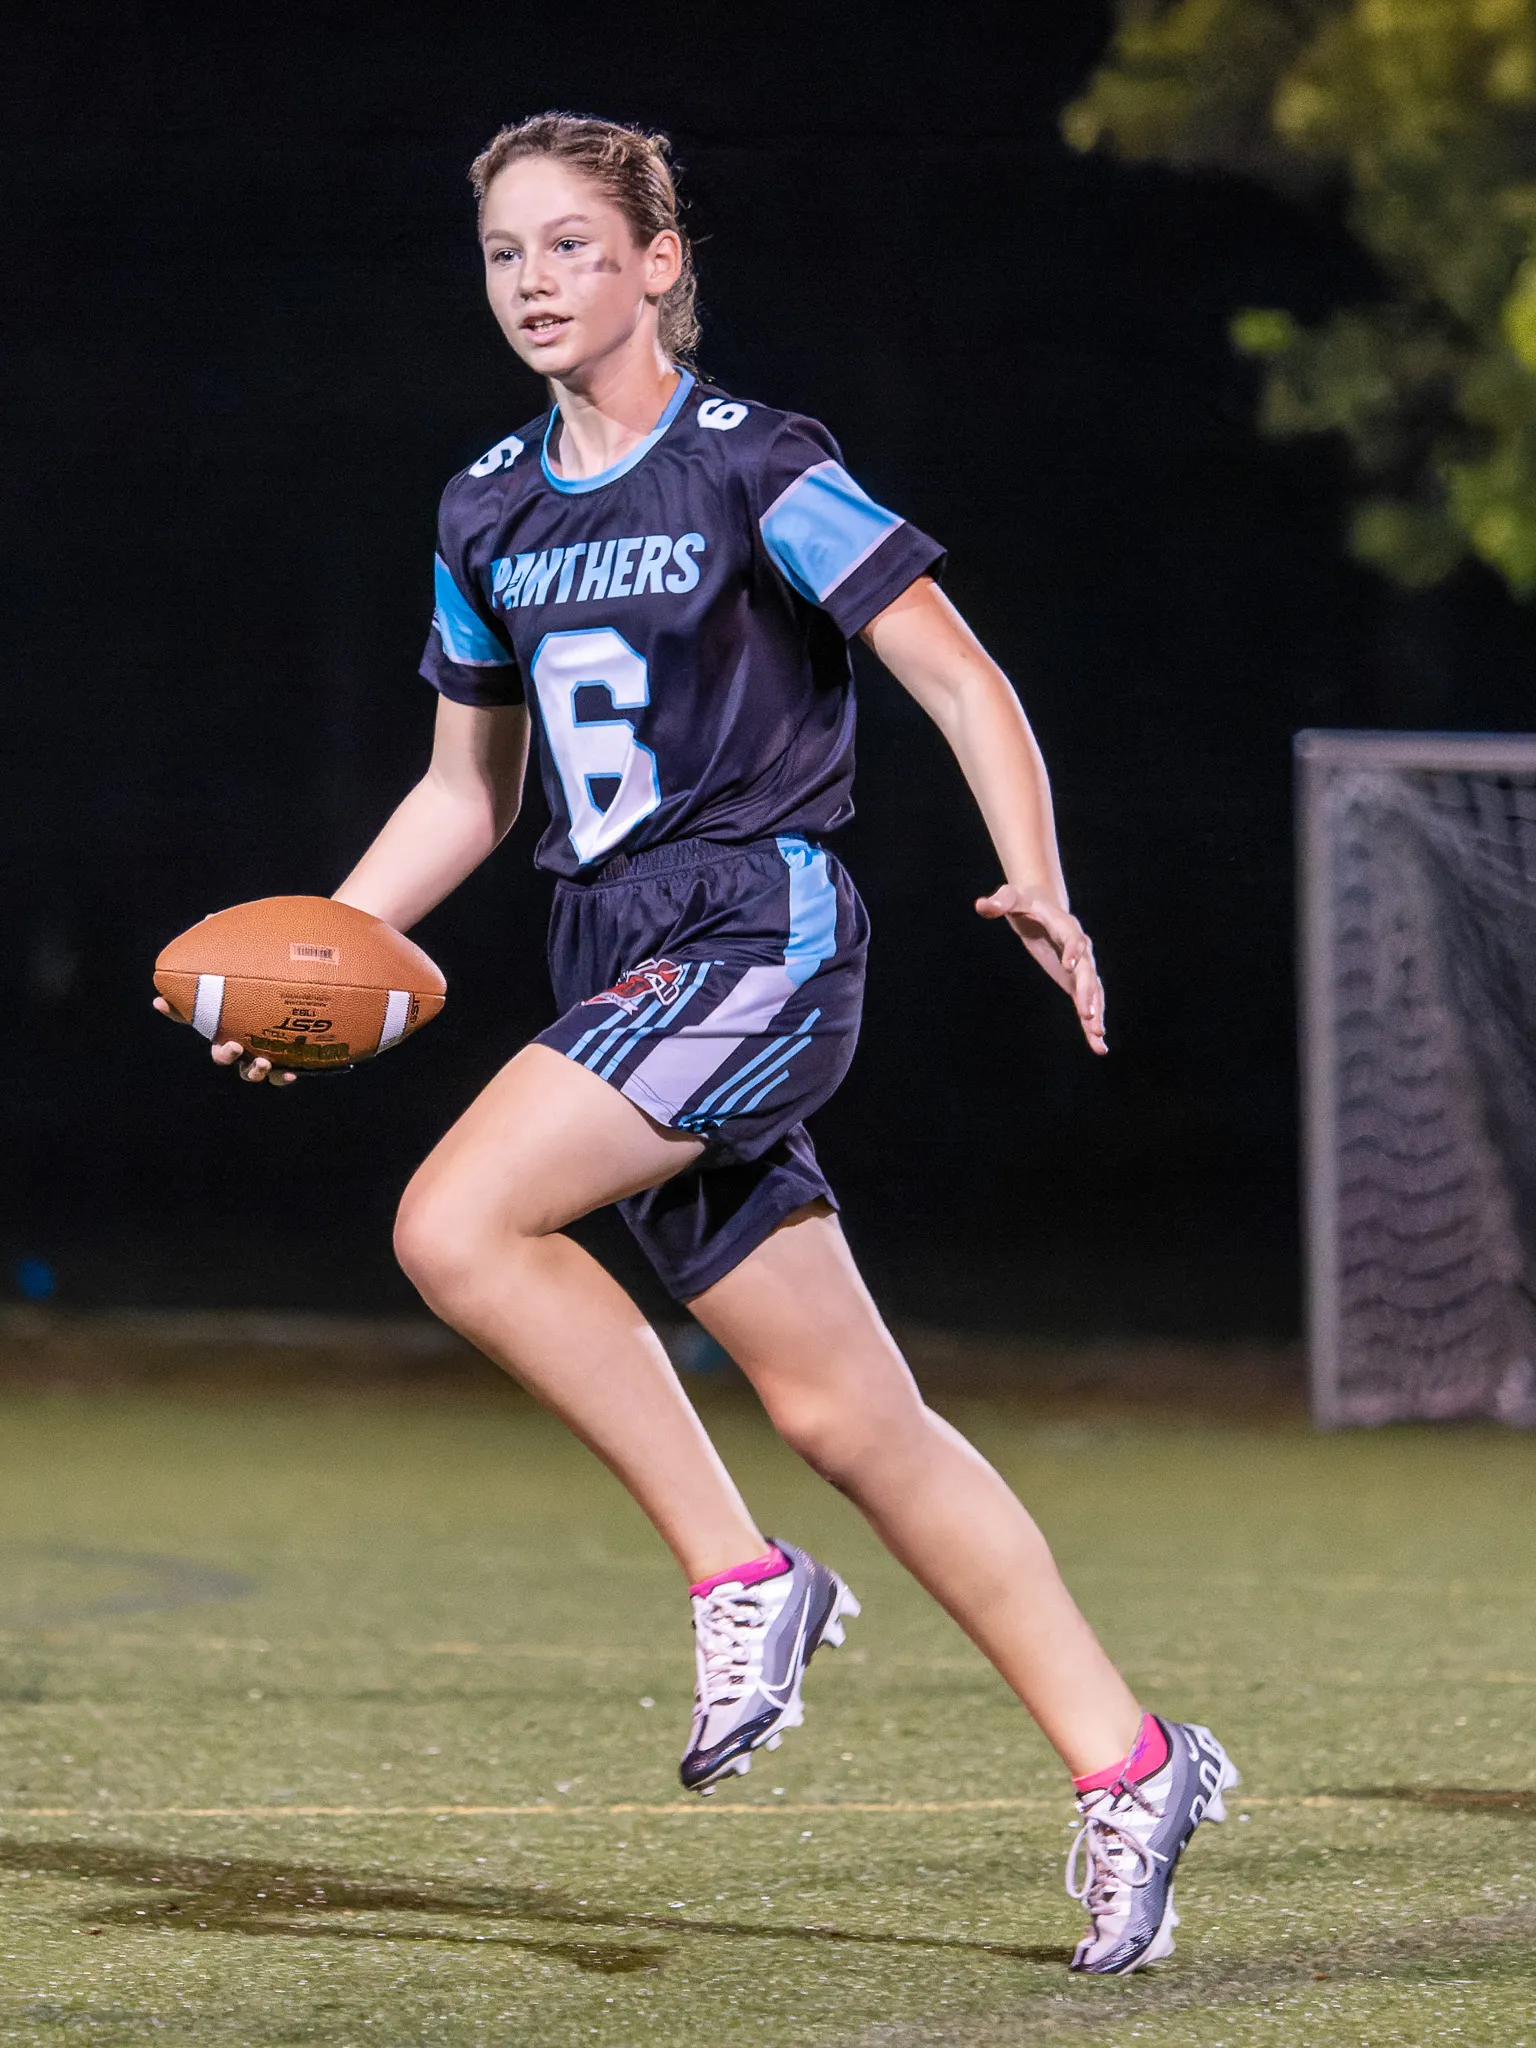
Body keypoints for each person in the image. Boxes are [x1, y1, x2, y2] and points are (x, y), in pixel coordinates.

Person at [157, 112, 1236, 1975]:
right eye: (505, 254)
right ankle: (1132, 1762)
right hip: (613, 950)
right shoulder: (483, 506)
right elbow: (462, 793)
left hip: (758, 922)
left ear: (660, 262)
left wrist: (1034, 875)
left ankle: (746, 1578)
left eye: (573, 246)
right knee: (849, 1415)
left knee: (454, 1224)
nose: (534, 282)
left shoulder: (760, 467)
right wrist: (330, 956)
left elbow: (956, 672)